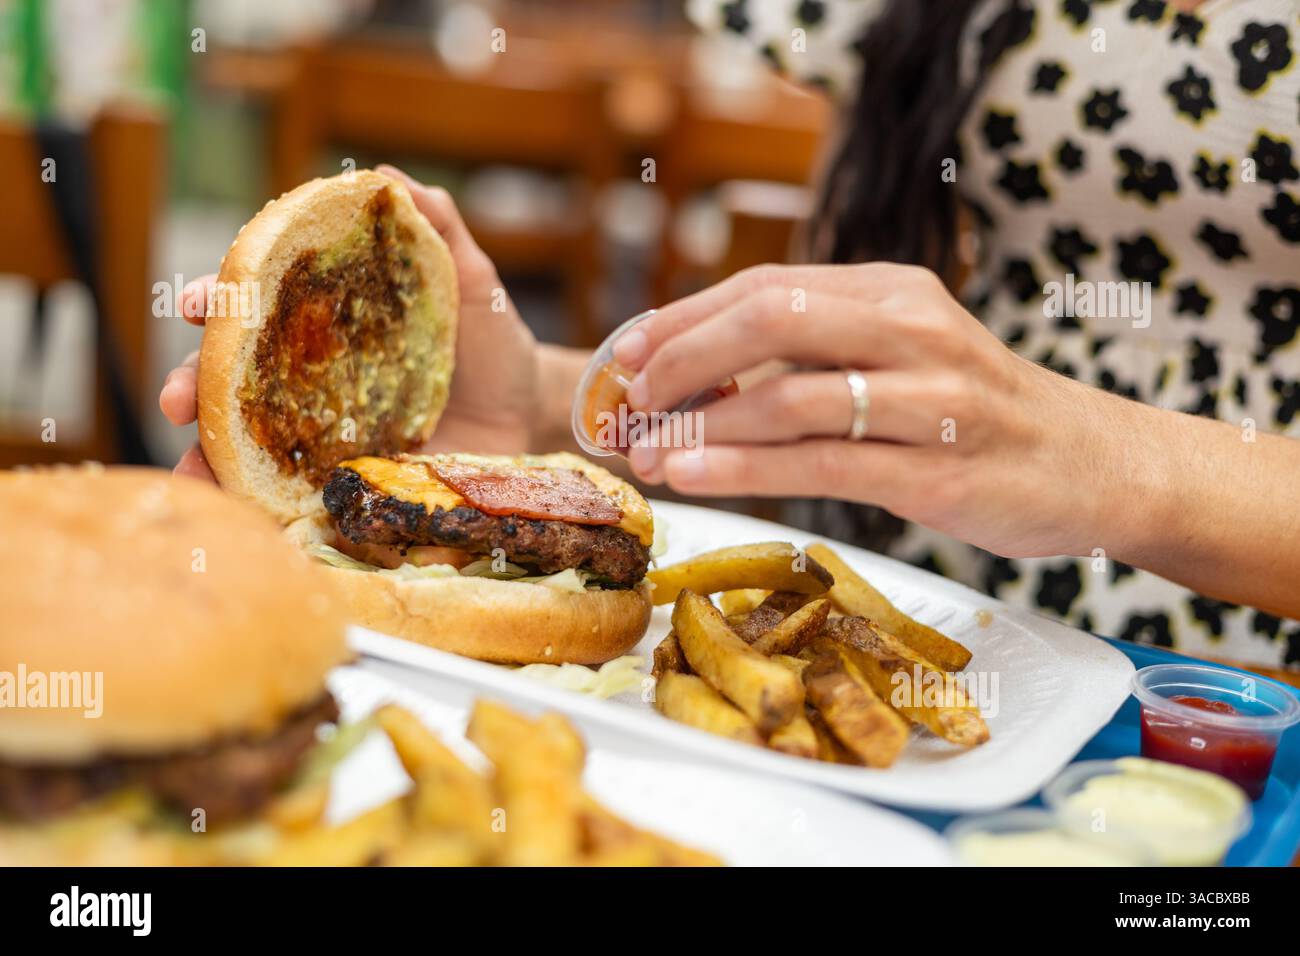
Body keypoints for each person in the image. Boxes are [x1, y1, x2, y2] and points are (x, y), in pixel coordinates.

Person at [161, 0, 1300, 669]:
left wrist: (1102, 458)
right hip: (908, 639)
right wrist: (535, 410)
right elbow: (845, 433)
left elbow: (1030, 425)